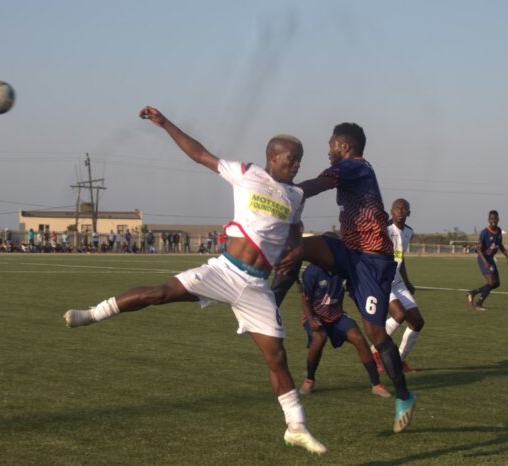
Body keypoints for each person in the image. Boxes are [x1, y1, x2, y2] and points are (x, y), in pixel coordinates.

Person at [63, 106, 327, 455]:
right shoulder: (246, 174)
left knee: (276, 357)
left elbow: (293, 229)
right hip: (224, 270)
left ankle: (296, 426)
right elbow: (199, 153)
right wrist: (165, 123)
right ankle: (93, 314)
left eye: (300, 160)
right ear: (273, 157)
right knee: (159, 293)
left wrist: (293, 248)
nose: (296, 165)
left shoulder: (295, 197)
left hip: (257, 286)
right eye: (292, 159)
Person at [271, 122, 415, 433]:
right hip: (349, 250)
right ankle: (268, 305)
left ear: (344, 146)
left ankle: (404, 395)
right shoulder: (351, 168)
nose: (327, 148)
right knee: (297, 249)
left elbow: (316, 185)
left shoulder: (355, 166)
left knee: (376, 334)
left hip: (371, 261)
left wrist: (278, 189)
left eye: (331, 143)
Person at [297, 263, 391, 398]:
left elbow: (353, 288)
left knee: (358, 338)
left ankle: (376, 384)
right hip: (314, 315)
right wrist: (311, 321)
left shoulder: (344, 268)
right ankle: (309, 380)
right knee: (319, 339)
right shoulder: (312, 271)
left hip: (337, 315)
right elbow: (305, 300)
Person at [372, 199, 425, 374]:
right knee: (399, 314)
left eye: (404, 209)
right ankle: (375, 351)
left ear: (409, 212)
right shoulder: (384, 230)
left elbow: (401, 259)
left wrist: (407, 281)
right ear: (391, 211)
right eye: (397, 208)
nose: (401, 211)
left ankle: (400, 361)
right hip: (382, 281)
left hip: (398, 281)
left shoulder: (409, 232)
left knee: (417, 322)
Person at [467, 210, 508, 311]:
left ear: (498, 219)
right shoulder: (484, 233)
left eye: (495, 218)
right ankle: (479, 304)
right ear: (488, 220)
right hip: (484, 258)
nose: (494, 220)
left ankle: (473, 292)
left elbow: (500, 244)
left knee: (496, 283)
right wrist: (485, 262)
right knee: (491, 282)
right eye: (491, 218)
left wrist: (507, 257)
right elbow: (479, 249)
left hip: (490, 259)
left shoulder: (499, 231)